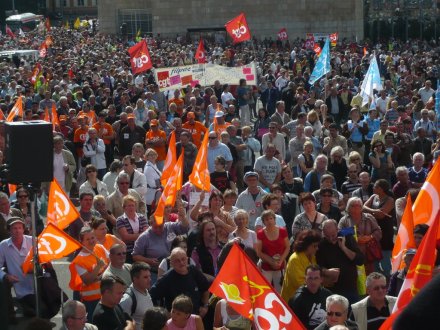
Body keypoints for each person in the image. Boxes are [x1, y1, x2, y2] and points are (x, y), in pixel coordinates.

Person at [0, 217, 48, 321]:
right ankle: (11, 313)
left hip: (37, 284)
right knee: (35, 311)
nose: (17, 230)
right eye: (14, 228)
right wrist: (6, 276)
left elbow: (45, 260)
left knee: (44, 311)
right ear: (9, 230)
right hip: (20, 287)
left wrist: (38, 268)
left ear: (23, 229)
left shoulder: (33, 241)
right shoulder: (3, 245)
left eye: (19, 228)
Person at [132, 196, 189, 282]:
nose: (158, 230)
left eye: (161, 227)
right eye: (156, 227)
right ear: (151, 224)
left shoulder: (169, 226)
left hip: (176, 267)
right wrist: (148, 260)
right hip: (155, 271)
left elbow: (185, 228)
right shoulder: (144, 237)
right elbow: (135, 256)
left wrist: (183, 217)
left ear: (164, 222)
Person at [149, 247, 210, 315]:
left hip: (195, 317)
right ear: (171, 263)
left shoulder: (194, 271)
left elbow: (206, 288)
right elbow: (151, 296)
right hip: (176, 320)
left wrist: (205, 306)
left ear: (187, 259)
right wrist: (163, 314)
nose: (181, 262)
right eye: (177, 261)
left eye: (183, 259)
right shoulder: (166, 278)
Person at [316, 220, 364, 304]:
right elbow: (318, 266)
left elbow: (360, 260)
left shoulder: (348, 238)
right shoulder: (321, 245)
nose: (331, 239)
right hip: (332, 290)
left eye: (333, 235)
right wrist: (327, 271)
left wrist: (344, 248)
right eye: (327, 236)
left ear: (337, 230)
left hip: (350, 287)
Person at [69, 226, 109, 322]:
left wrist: (101, 275)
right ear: (81, 241)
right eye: (87, 239)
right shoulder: (79, 261)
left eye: (92, 238)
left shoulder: (100, 248)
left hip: (105, 296)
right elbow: (88, 281)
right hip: (91, 301)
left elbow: (110, 262)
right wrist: (98, 267)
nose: (91, 241)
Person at [339, 197, 382, 275]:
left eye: (358, 205)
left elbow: (378, 231)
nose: (356, 207)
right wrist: (355, 239)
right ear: (348, 207)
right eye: (353, 205)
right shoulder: (344, 220)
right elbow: (339, 234)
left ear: (361, 207)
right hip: (352, 255)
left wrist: (370, 237)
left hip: (368, 254)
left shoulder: (369, 217)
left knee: (369, 277)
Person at [363, 179, 395, 279]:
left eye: (375, 186)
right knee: (373, 254)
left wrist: (370, 212)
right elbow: (363, 207)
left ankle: (387, 278)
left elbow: (382, 215)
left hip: (386, 232)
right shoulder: (373, 197)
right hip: (374, 230)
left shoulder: (390, 200)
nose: (373, 188)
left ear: (381, 189)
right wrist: (374, 211)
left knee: (385, 257)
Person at [281, 230, 322, 302]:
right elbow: (300, 283)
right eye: (314, 246)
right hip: (293, 302)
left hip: (305, 299)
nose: (317, 248)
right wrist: (322, 281)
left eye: (317, 246)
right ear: (306, 245)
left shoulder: (312, 257)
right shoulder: (295, 259)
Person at [288, 265, 332, 330]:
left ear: (321, 279)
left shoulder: (328, 295)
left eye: (316, 278)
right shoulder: (297, 299)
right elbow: (292, 323)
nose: (313, 282)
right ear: (305, 279)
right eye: (310, 278)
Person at [255, 209, 290, 292]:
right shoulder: (260, 233)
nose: (269, 221)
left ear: (274, 220)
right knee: (265, 290)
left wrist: (281, 261)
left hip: (280, 266)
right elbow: (258, 252)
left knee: (280, 291)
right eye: (266, 219)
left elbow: (288, 247)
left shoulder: (282, 231)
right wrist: (271, 262)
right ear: (263, 222)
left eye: (271, 218)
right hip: (266, 267)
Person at [120, 262, 154, 330]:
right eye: (145, 277)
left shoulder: (146, 290)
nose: (149, 279)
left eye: (149, 276)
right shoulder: (127, 299)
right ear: (135, 279)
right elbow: (122, 324)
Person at [117, 195, 149, 264]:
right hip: (128, 251)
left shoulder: (142, 217)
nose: (131, 207)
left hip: (142, 250)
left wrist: (132, 236)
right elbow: (125, 237)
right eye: (128, 206)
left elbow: (147, 235)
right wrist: (142, 235)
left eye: (132, 205)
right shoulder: (120, 220)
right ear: (124, 207)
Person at [143, 148, 162, 216]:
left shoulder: (154, 165)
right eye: (150, 155)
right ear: (147, 157)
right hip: (151, 196)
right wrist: (161, 183)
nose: (152, 156)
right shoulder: (148, 168)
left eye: (154, 154)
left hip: (156, 195)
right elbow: (152, 184)